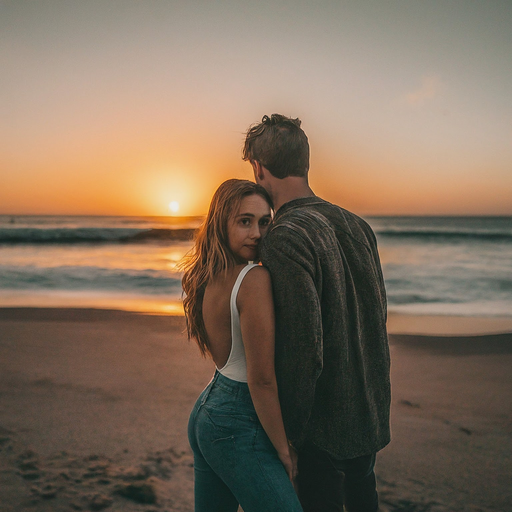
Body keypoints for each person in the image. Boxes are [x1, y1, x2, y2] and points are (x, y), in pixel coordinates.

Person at [243, 114, 391, 512]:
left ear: (259, 167)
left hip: (322, 433)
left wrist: (288, 436)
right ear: (304, 162)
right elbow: (377, 320)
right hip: (368, 416)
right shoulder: (358, 226)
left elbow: (304, 347)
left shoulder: (285, 235)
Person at [182, 179, 303, 512]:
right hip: (236, 421)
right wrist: (283, 450)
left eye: (265, 222)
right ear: (223, 224)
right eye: (244, 221)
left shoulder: (208, 275)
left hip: (208, 410)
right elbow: (261, 379)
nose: (258, 233)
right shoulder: (253, 279)